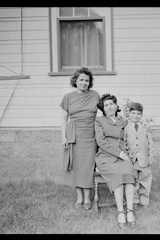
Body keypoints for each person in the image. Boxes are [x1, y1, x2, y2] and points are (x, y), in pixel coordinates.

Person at [60, 67, 100, 211]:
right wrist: (63, 137)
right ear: (75, 81)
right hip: (74, 134)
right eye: (81, 80)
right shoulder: (68, 97)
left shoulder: (95, 95)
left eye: (87, 80)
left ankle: (87, 197)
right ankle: (79, 197)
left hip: (90, 134)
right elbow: (64, 119)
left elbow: (107, 111)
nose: (84, 82)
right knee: (76, 167)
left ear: (90, 83)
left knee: (88, 167)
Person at [95, 94, 136, 229]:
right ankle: (120, 211)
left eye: (111, 104)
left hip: (123, 156)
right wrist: (120, 154)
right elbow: (101, 142)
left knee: (129, 172)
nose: (109, 106)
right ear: (103, 109)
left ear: (116, 106)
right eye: (106, 105)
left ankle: (129, 211)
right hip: (106, 157)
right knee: (118, 175)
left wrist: (128, 153)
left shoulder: (121, 120)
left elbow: (127, 137)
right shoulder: (99, 121)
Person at [124, 102, 155, 207]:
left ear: (141, 114)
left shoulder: (145, 127)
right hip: (132, 159)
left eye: (138, 113)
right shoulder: (126, 127)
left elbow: (150, 143)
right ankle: (134, 200)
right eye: (133, 113)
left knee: (145, 181)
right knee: (133, 181)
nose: (135, 116)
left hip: (144, 159)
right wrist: (127, 154)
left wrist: (151, 157)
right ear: (129, 113)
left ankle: (144, 200)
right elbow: (124, 142)